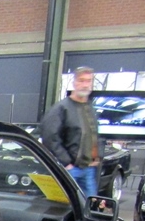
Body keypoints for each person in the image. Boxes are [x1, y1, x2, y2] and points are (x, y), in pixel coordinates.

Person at [40, 66, 100, 196]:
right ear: (74, 82)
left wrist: (97, 157)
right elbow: (49, 137)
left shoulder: (90, 108)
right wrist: (66, 163)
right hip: (70, 170)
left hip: (89, 169)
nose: (85, 85)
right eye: (81, 80)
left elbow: (93, 136)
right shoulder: (61, 108)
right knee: (68, 205)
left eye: (88, 81)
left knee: (90, 205)